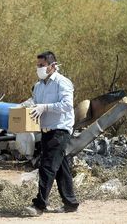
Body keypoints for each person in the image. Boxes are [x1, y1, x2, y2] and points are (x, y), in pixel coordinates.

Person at [24, 51, 79, 216]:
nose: (39, 68)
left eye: (42, 65)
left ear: (52, 66)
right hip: (46, 130)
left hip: (60, 130)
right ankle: (71, 203)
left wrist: (45, 107)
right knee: (61, 168)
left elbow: (67, 105)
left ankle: (39, 206)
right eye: (38, 65)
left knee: (47, 166)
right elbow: (35, 103)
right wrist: (25, 107)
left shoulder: (63, 83)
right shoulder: (39, 86)